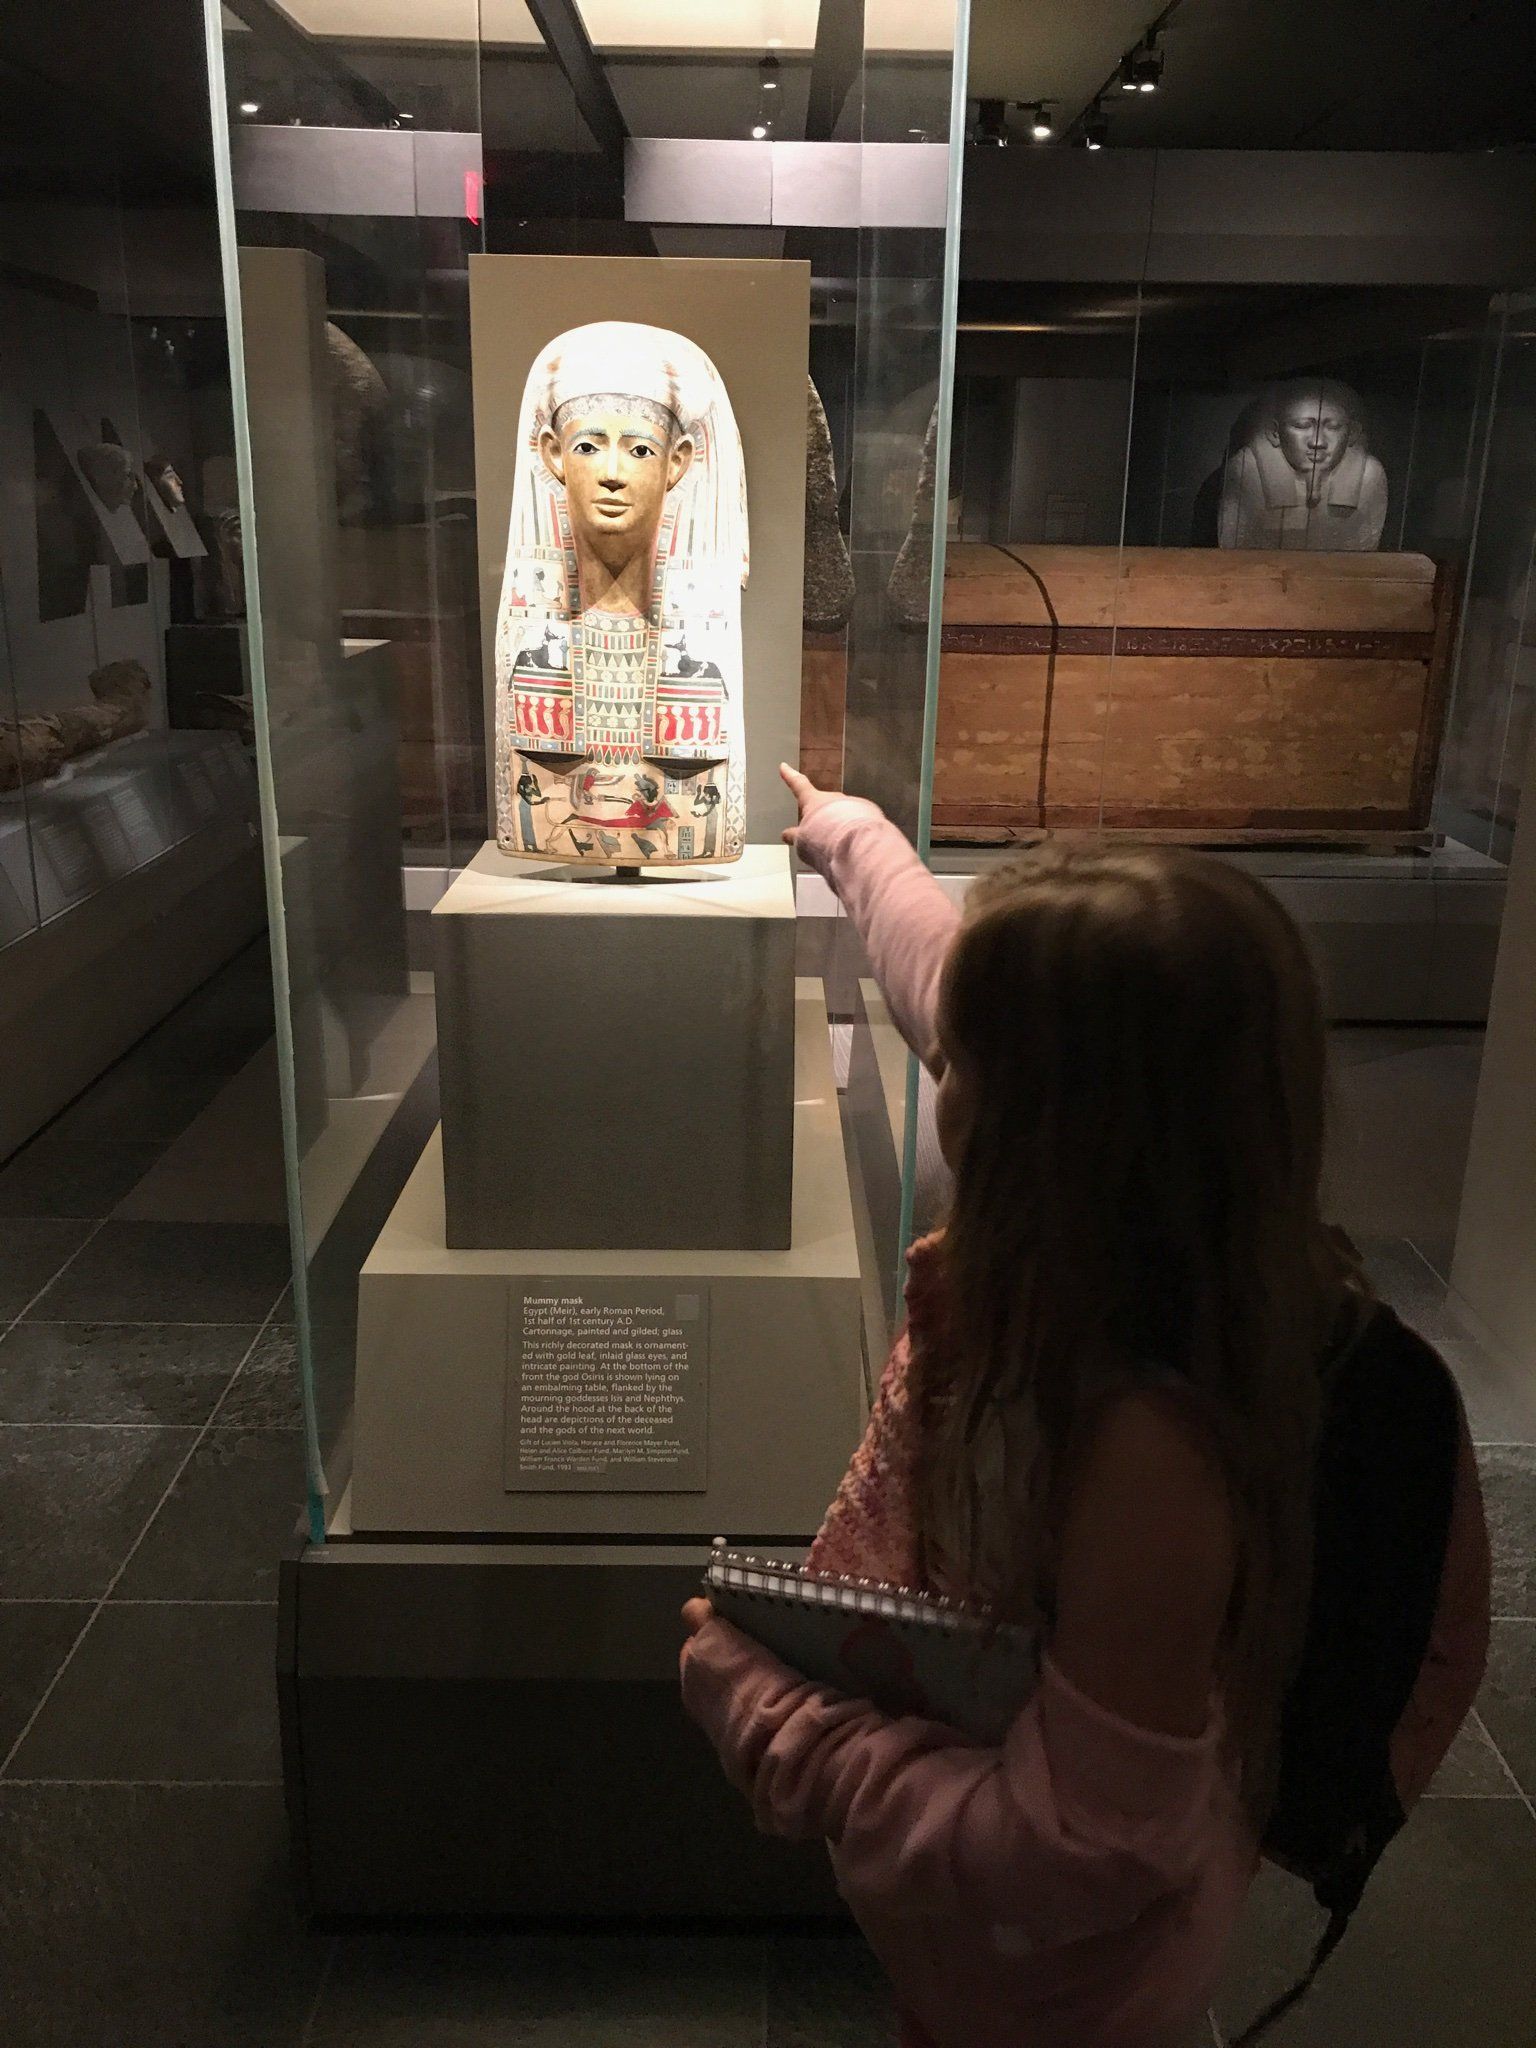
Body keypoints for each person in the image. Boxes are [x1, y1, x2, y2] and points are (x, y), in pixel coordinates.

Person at [680, 765, 1485, 2048]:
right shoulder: (1153, 1221)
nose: (938, 1054)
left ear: (1044, 1127)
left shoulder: (1145, 1446)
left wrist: (784, 1722)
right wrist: (847, 829)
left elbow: (1075, 1852)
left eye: (960, 1060)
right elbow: (937, 970)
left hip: (1059, 1989)